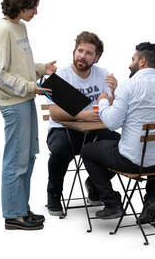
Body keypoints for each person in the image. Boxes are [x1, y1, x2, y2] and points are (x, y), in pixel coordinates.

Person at [81, 42, 155, 223]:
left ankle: (112, 203)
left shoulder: (130, 86)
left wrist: (103, 101)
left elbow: (111, 123)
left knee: (88, 150)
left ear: (142, 62)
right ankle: (152, 200)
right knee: (153, 152)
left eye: (132, 59)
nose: (130, 64)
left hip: (133, 161)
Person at [0, 0, 57, 230]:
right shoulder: (3, 30)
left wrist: (40, 69)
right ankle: (13, 215)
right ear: (21, 4)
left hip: (25, 99)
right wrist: (30, 86)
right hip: (14, 103)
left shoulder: (20, 27)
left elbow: (19, 64)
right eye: (33, 6)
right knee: (16, 159)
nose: (36, 12)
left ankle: (21, 208)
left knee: (28, 156)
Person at [46, 31, 120, 216]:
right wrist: (81, 115)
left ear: (97, 57)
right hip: (63, 130)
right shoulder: (61, 75)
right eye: (80, 50)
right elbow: (54, 112)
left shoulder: (102, 74)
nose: (82, 56)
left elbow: (110, 106)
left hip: (94, 130)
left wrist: (114, 92)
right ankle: (54, 194)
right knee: (61, 150)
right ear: (74, 51)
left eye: (88, 53)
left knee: (122, 146)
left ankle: (95, 185)